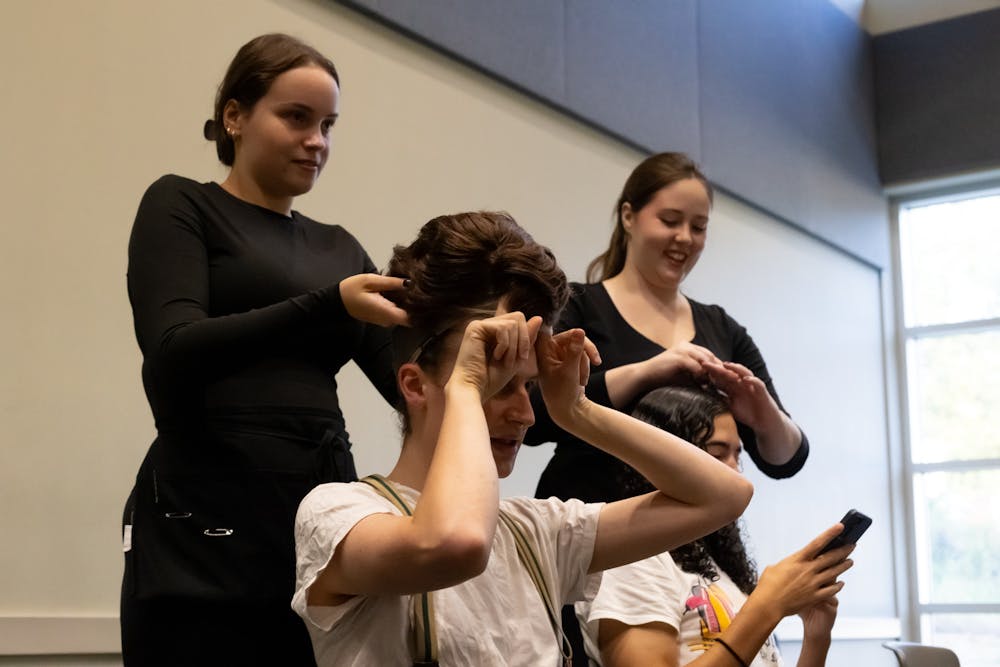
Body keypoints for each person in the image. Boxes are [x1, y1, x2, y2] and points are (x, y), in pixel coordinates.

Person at [291, 211, 754, 666]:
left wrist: (578, 411)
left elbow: (723, 496)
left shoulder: (536, 533)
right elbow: (456, 543)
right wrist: (467, 385)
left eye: (528, 387)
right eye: (498, 386)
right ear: (414, 386)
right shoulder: (338, 514)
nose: (525, 414)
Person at [120, 33, 408, 666]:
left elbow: (413, 385)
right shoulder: (183, 205)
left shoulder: (339, 248)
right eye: (296, 117)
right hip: (203, 520)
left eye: (328, 124)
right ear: (235, 116)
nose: (318, 142)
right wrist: (327, 304)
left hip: (314, 521)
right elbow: (171, 349)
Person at [527, 152, 808, 507]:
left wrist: (763, 411)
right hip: (588, 520)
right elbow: (532, 414)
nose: (685, 238)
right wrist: (648, 372)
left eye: (699, 227)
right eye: (670, 221)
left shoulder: (723, 329)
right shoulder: (579, 305)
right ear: (628, 216)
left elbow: (786, 460)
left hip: (689, 537)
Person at [577, 386, 851, 667]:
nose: (736, 473)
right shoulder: (631, 559)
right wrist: (768, 605)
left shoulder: (720, 572)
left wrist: (816, 638)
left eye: (737, 456)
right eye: (718, 455)